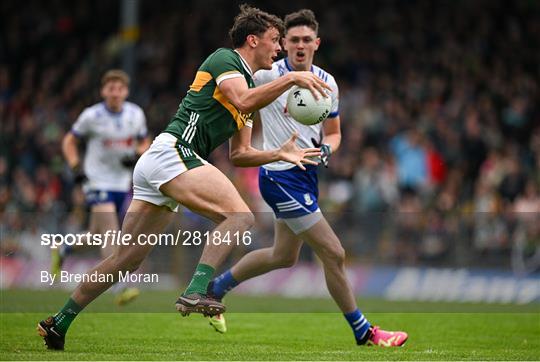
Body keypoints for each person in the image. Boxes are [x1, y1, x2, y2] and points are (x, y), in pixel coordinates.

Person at [37, 4, 330, 350]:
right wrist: (292, 78)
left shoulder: (249, 91)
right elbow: (242, 97)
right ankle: (195, 291)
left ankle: (59, 322)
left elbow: (240, 154)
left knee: (124, 260)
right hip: (174, 153)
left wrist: (279, 153)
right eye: (275, 40)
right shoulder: (226, 60)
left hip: (165, 163)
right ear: (252, 40)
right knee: (239, 216)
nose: (279, 49)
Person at [206, 9, 408, 347]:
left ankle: (216, 288)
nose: (300, 45)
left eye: (306, 40)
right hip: (279, 175)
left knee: (283, 256)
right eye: (293, 40)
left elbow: (334, 133)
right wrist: (242, 136)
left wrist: (328, 149)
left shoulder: (328, 83)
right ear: (283, 43)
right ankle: (365, 332)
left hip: (307, 176)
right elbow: (242, 108)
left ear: (317, 42)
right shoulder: (267, 76)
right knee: (334, 252)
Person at [53, 69, 150, 305]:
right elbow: (69, 140)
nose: (115, 93)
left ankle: (63, 248)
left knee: (97, 236)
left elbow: (144, 140)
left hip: (122, 182)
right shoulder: (91, 116)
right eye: (111, 88)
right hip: (96, 181)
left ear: (126, 91)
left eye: (120, 88)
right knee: (110, 232)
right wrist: (76, 167)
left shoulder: (135, 114)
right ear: (103, 91)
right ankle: (120, 286)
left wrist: (138, 154)